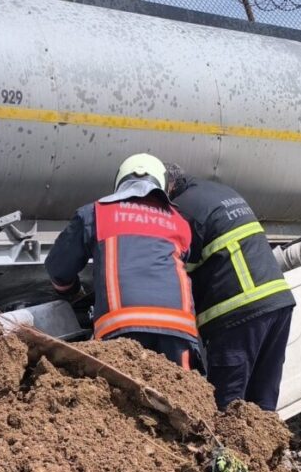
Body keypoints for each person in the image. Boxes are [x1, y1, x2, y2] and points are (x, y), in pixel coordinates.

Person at [45, 153, 199, 369]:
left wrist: (68, 290)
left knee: (118, 398)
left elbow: (58, 267)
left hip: (121, 325)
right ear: (161, 184)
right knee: (178, 394)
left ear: (120, 181)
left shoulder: (95, 213)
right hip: (179, 329)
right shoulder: (179, 221)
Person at [168, 165, 296, 411]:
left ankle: (226, 451)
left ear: (168, 187)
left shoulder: (184, 208)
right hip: (278, 299)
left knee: (229, 402)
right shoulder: (219, 192)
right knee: (264, 396)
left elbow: (177, 266)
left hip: (239, 311)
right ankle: (266, 447)